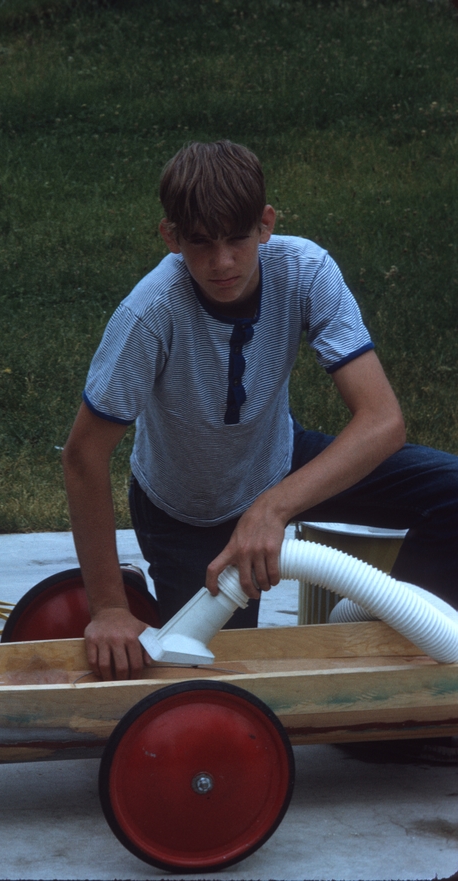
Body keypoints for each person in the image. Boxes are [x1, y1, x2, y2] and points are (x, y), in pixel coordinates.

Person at [62, 139, 458, 682]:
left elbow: (382, 420)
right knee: (215, 681)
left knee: (452, 493)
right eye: (200, 242)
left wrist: (271, 509)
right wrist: (109, 607)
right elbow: (84, 456)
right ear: (171, 236)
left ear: (265, 224)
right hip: (187, 507)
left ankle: (407, 651)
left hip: (277, 460)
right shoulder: (150, 312)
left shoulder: (305, 271)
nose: (221, 262)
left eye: (237, 238)